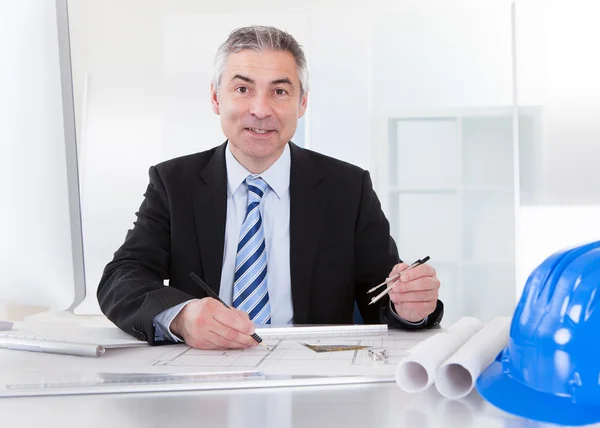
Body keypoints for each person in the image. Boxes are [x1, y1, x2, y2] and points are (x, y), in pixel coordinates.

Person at [97, 25, 443, 350]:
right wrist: (182, 316)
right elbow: (122, 278)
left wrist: (409, 308)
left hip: (314, 383)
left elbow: (383, 300)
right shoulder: (174, 182)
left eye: (279, 91)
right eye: (243, 89)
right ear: (217, 98)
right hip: (204, 378)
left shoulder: (348, 188)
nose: (260, 110)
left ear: (301, 103)